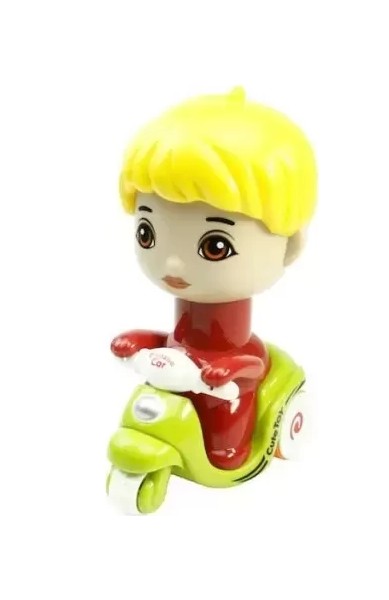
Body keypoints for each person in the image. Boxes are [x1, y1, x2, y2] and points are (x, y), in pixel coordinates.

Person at [111, 87, 317, 470]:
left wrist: (229, 369)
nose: (173, 264)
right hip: (182, 385)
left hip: (227, 392)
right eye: (147, 233)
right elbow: (171, 343)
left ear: (290, 245)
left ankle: (231, 450)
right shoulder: (183, 330)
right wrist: (140, 341)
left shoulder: (242, 347)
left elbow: (252, 363)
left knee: (228, 419)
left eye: (215, 245)